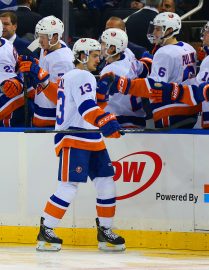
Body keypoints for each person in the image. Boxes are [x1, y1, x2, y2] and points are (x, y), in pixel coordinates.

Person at [36, 38, 125, 252]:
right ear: (83, 56)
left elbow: (87, 107)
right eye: (94, 55)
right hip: (74, 136)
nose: (99, 58)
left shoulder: (73, 76)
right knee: (69, 186)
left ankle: (105, 230)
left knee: (106, 181)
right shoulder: (82, 75)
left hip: (90, 136)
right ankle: (46, 228)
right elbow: (86, 109)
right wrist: (106, 120)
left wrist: (102, 101)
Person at [19, 15, 74, 127]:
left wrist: (40, 74)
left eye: (42, 37)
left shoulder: (63, 61)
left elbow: (61, 97)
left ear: (54, 37)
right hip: (40, 111)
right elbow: (45, 66)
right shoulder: (49, 46)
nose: (39, 40)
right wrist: (34, 63)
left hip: (52, 120)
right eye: (38, 36)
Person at [98, 28, 148, 128]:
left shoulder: (110, 70)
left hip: (119, 119)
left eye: (103, 43)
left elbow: (100, 98)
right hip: (138, 117)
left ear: (112, 48)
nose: (100, 46)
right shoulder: (128, 53)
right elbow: (143, 70)